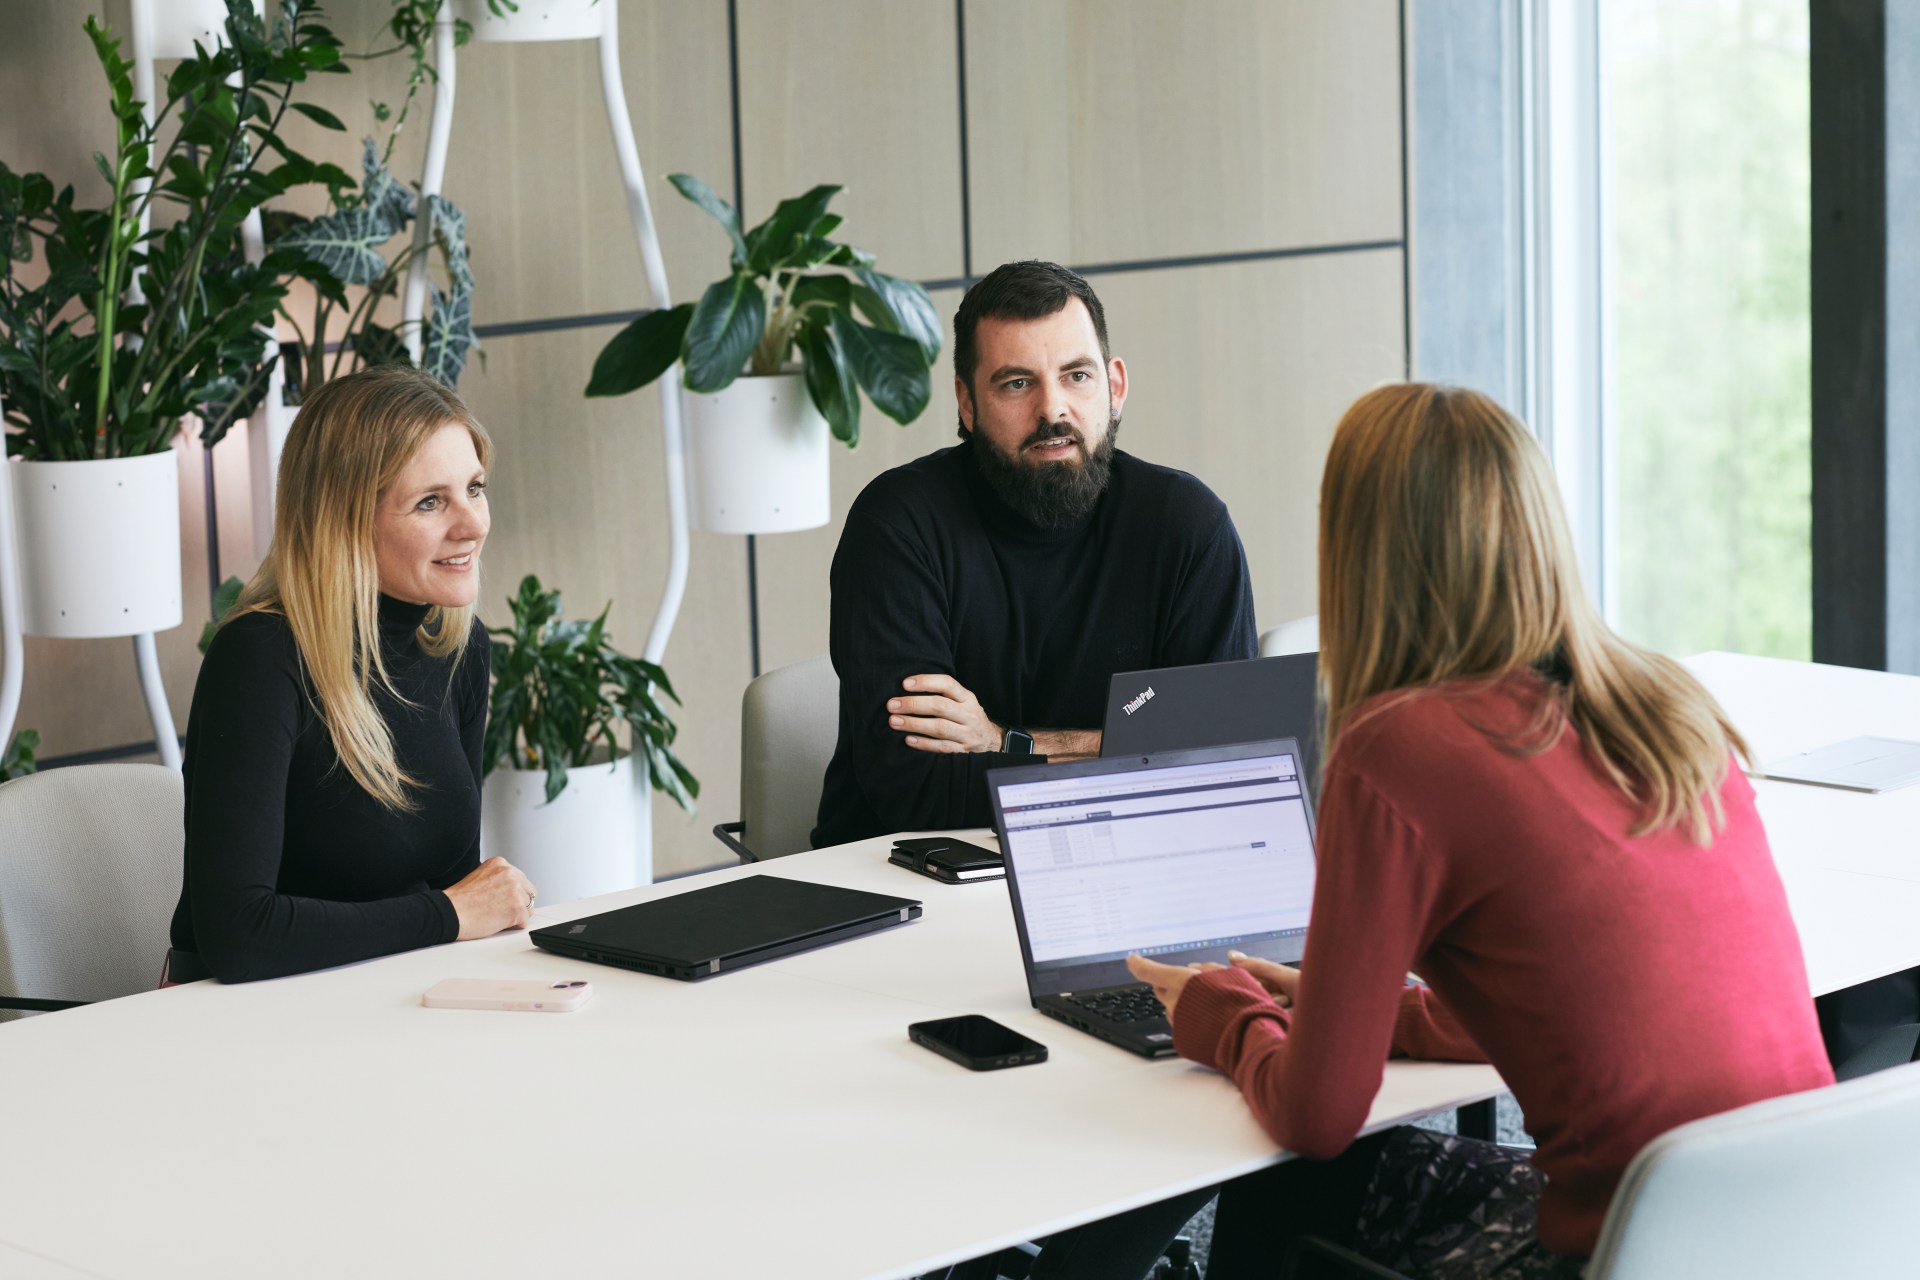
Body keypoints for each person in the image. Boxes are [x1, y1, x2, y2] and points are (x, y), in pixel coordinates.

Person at [1122, 383, 1835, 1278]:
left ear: (1358, 549)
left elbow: (1317, 1117)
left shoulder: (1400, 748)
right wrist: (1375, 1016)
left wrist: (1227, 1017)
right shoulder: (1664, 705)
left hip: (1626, 1257)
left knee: (1293, 1185)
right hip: (1814, 1232)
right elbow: (1599, 999)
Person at [810, 260, 1258, 849]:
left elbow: (1229, 763)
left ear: (1115, 386)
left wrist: (1003, 742)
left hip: (1134, 865)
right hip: (909, 884)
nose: (1052, 411)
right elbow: (915, 789)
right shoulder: (898, 525)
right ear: (967, 404)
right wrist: (1135, 756)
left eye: (1076, 376)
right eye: (1017, 383)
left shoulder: (1187, 527)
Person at [166, 365, 536, 985]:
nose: (473, 524)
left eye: (474, 488)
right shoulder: (261, 658)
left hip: (392, 995)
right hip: (242, 1020)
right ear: (344, 520)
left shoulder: (458, 644)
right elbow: (237, 934)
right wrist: (448, 914)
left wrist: (462, 917)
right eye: (429, 502)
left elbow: (454, 887)